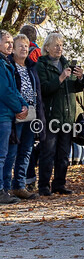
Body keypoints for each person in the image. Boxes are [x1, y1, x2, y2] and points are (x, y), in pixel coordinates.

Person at [36, 32, 84, 198]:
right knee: (48, 153)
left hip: (67, 117)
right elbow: (44, 88)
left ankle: (59, 184)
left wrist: (79, 79)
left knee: (64, 154)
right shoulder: (41, 65)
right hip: (51, 117)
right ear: (47, 47)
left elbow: (75, 89)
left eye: (61, 45)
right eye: (56, 45)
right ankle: (43, 186)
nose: (59, 48)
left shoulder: (66, 64)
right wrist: (61, 78)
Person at [4, 34, 43, 200]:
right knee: (11, 151)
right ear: (13, 49)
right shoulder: (9, 66)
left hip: (31, 112)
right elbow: (9, 91)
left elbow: (38, 93)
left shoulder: (31, 67)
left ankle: (19, 185)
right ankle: (6, 187)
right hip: (15, 113)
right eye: (20, 46)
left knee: (27, 150)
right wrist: (18, 107)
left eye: (26, 46)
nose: (24, 49)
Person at [0, 31, 28, 205]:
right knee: (1, 156)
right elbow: (4, 91)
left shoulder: (6, 63)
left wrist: (24, 105)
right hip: (2, 115)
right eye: (6, 42)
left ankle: (4, 188)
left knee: (7, 155)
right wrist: (19, 108)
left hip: (8, 114)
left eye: (11, 42)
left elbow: (14, 90)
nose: (10, 45)